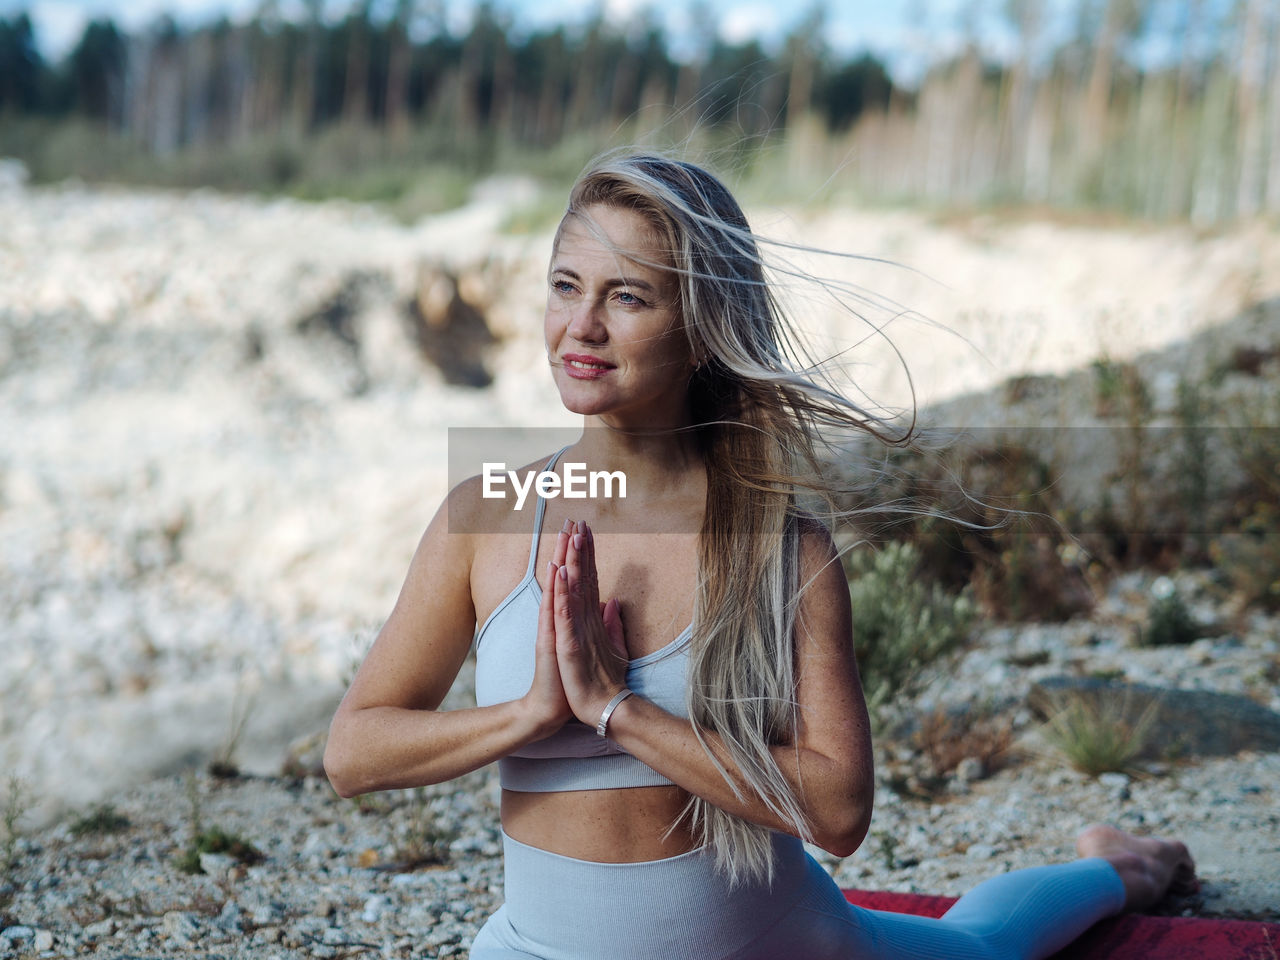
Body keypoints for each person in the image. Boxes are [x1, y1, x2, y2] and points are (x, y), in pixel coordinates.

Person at [323, 153, 1197, 960]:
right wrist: (530, 714)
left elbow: (840, 811)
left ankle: (1120, 866)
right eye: (565, 286)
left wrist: (615, 710)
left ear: (701, 329)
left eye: (628, 297)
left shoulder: (783, 549)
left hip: (773, 945)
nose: (580, 326)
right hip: (532, 947)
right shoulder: (486, 515)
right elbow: (354, 751)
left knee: (984, 947)